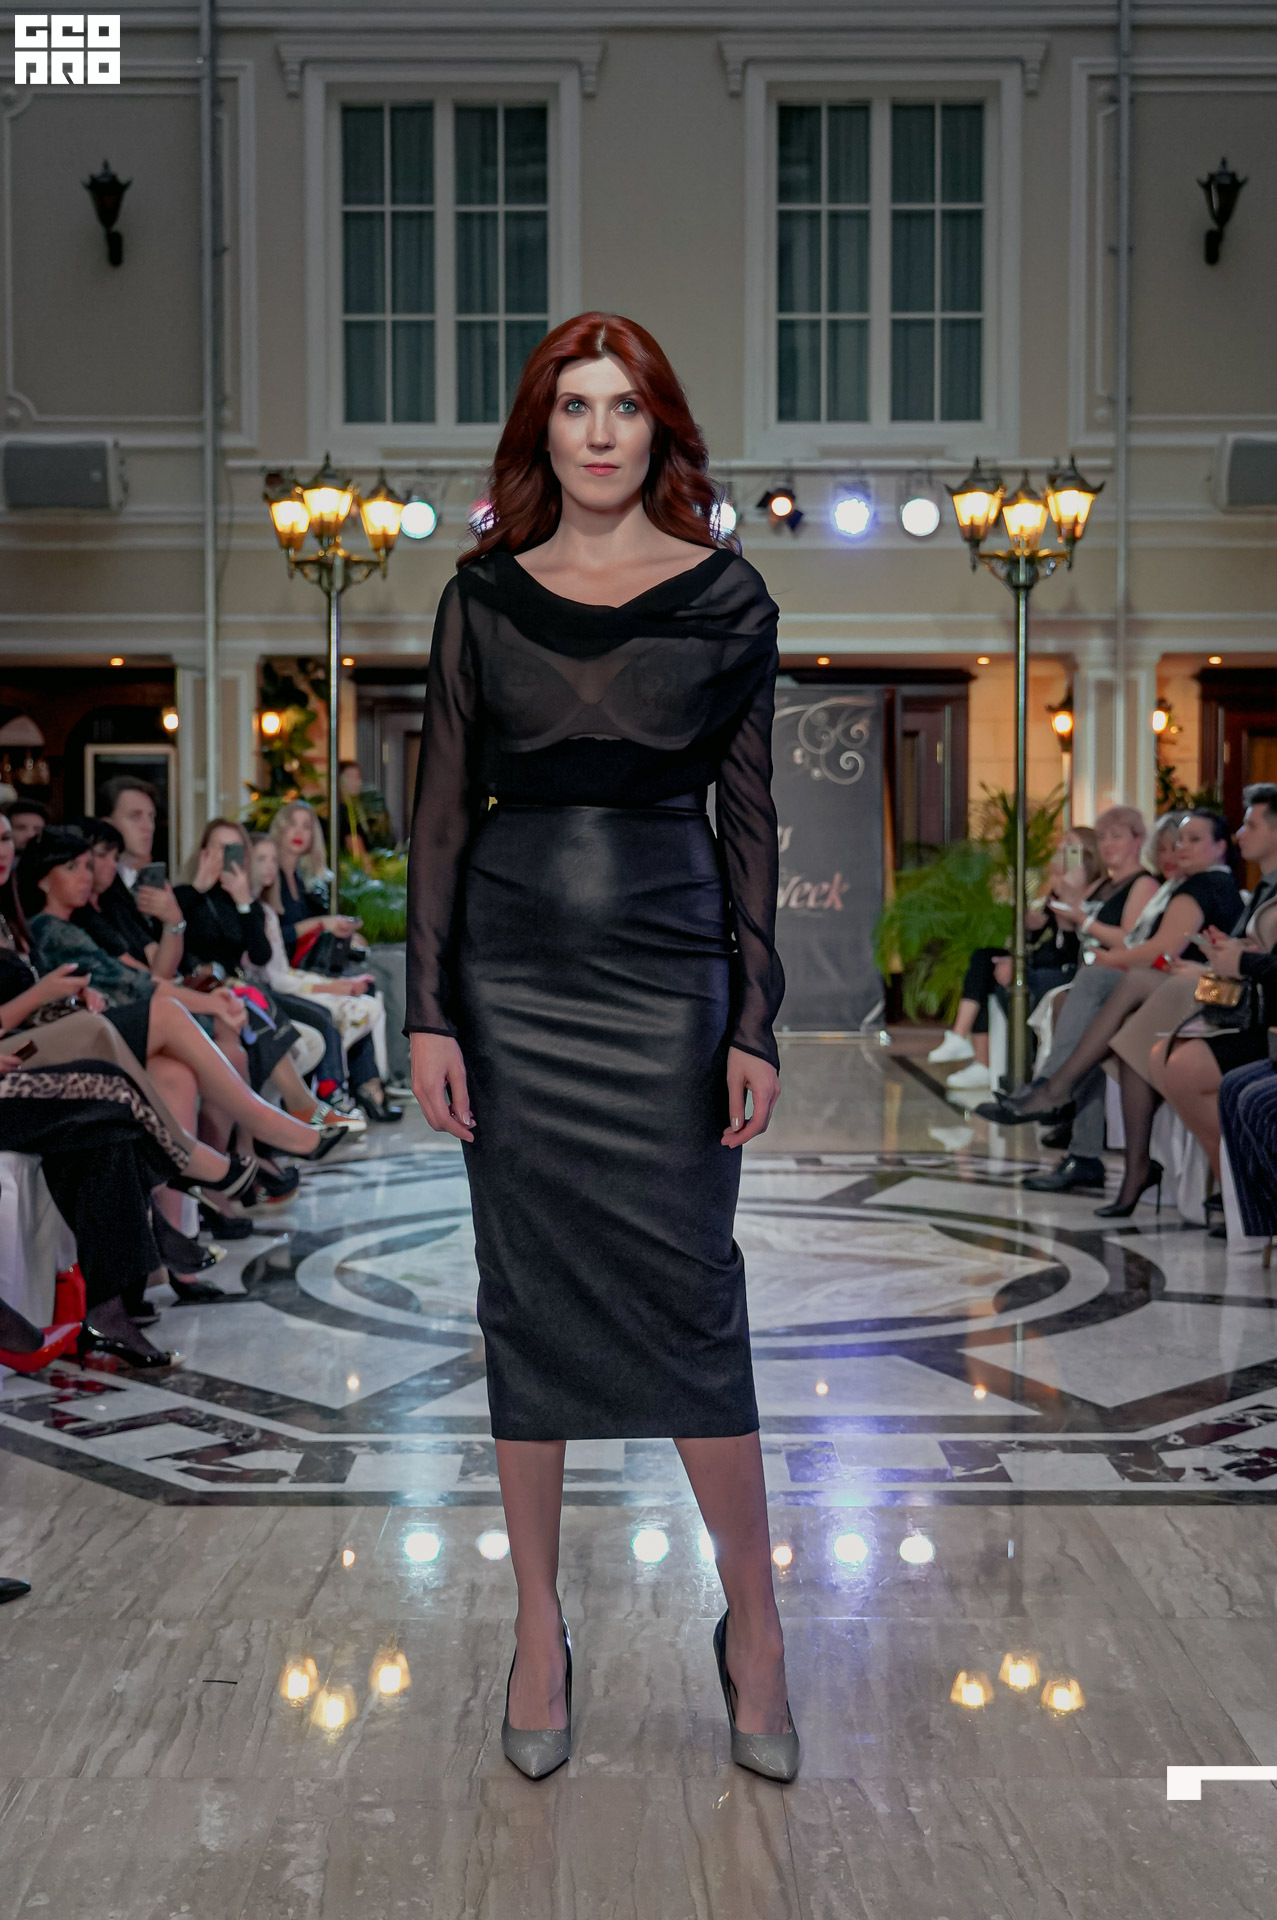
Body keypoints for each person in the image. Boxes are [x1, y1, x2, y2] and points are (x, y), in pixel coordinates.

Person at [406, 313, 797, 1784]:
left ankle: (756, 1627)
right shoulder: (480, 600)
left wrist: (753, 1016)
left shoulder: (726, 596)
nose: (597, 432)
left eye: (623, 407)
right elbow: (440, 816)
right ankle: (535, 1628)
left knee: (692, 1298)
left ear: (658, 430)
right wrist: (429, 1011)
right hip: (510, 988)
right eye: (573, 406)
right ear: (542, 431)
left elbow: (749, 822)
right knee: (527, 1301)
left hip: (669, 977)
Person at [982, 810, 1243, 1194]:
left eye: (1192, 841)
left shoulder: (1201, 886)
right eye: (1175, 842)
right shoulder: (1188, 885)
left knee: (1093, 989)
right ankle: (1064, 1111)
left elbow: (1159, 949)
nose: (1177, 850)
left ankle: (1055, 1094)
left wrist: (1104, 954)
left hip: (1198, 992)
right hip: (1180, 984)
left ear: (1221, 846)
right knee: (1073, 1000)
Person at [929, 826, 1105, 1092]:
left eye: (1070, 845)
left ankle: (1008, 1063)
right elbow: (1043, 932)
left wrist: (1064, 892)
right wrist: (1033, 923)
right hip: (1046, 956)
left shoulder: (1089, 889)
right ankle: (963, 1041)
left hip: (1066, 966)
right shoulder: (1057, 886)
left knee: (1012, 981)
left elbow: (1070, 940)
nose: (1062, 849)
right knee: (984, 959)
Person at [268, 801, 400, 1120]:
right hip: (284, 973)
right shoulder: (269, 879)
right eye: (293, 824)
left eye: (306, 826)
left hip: (307, 968)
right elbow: (274, 937)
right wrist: (321, 924)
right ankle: (343, 1091)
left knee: (365, 987)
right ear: (280, 829)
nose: (299, 832)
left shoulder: (306, 881)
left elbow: (313, 930)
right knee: (341, 1005)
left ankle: (368, 1085)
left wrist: (340, 931)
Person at [99, 778, 187, 977]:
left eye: (151, 817)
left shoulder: (155, 883)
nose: (148, 826)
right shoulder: (100, 890)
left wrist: (174, 920)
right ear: (108, 824)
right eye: (135, 816)